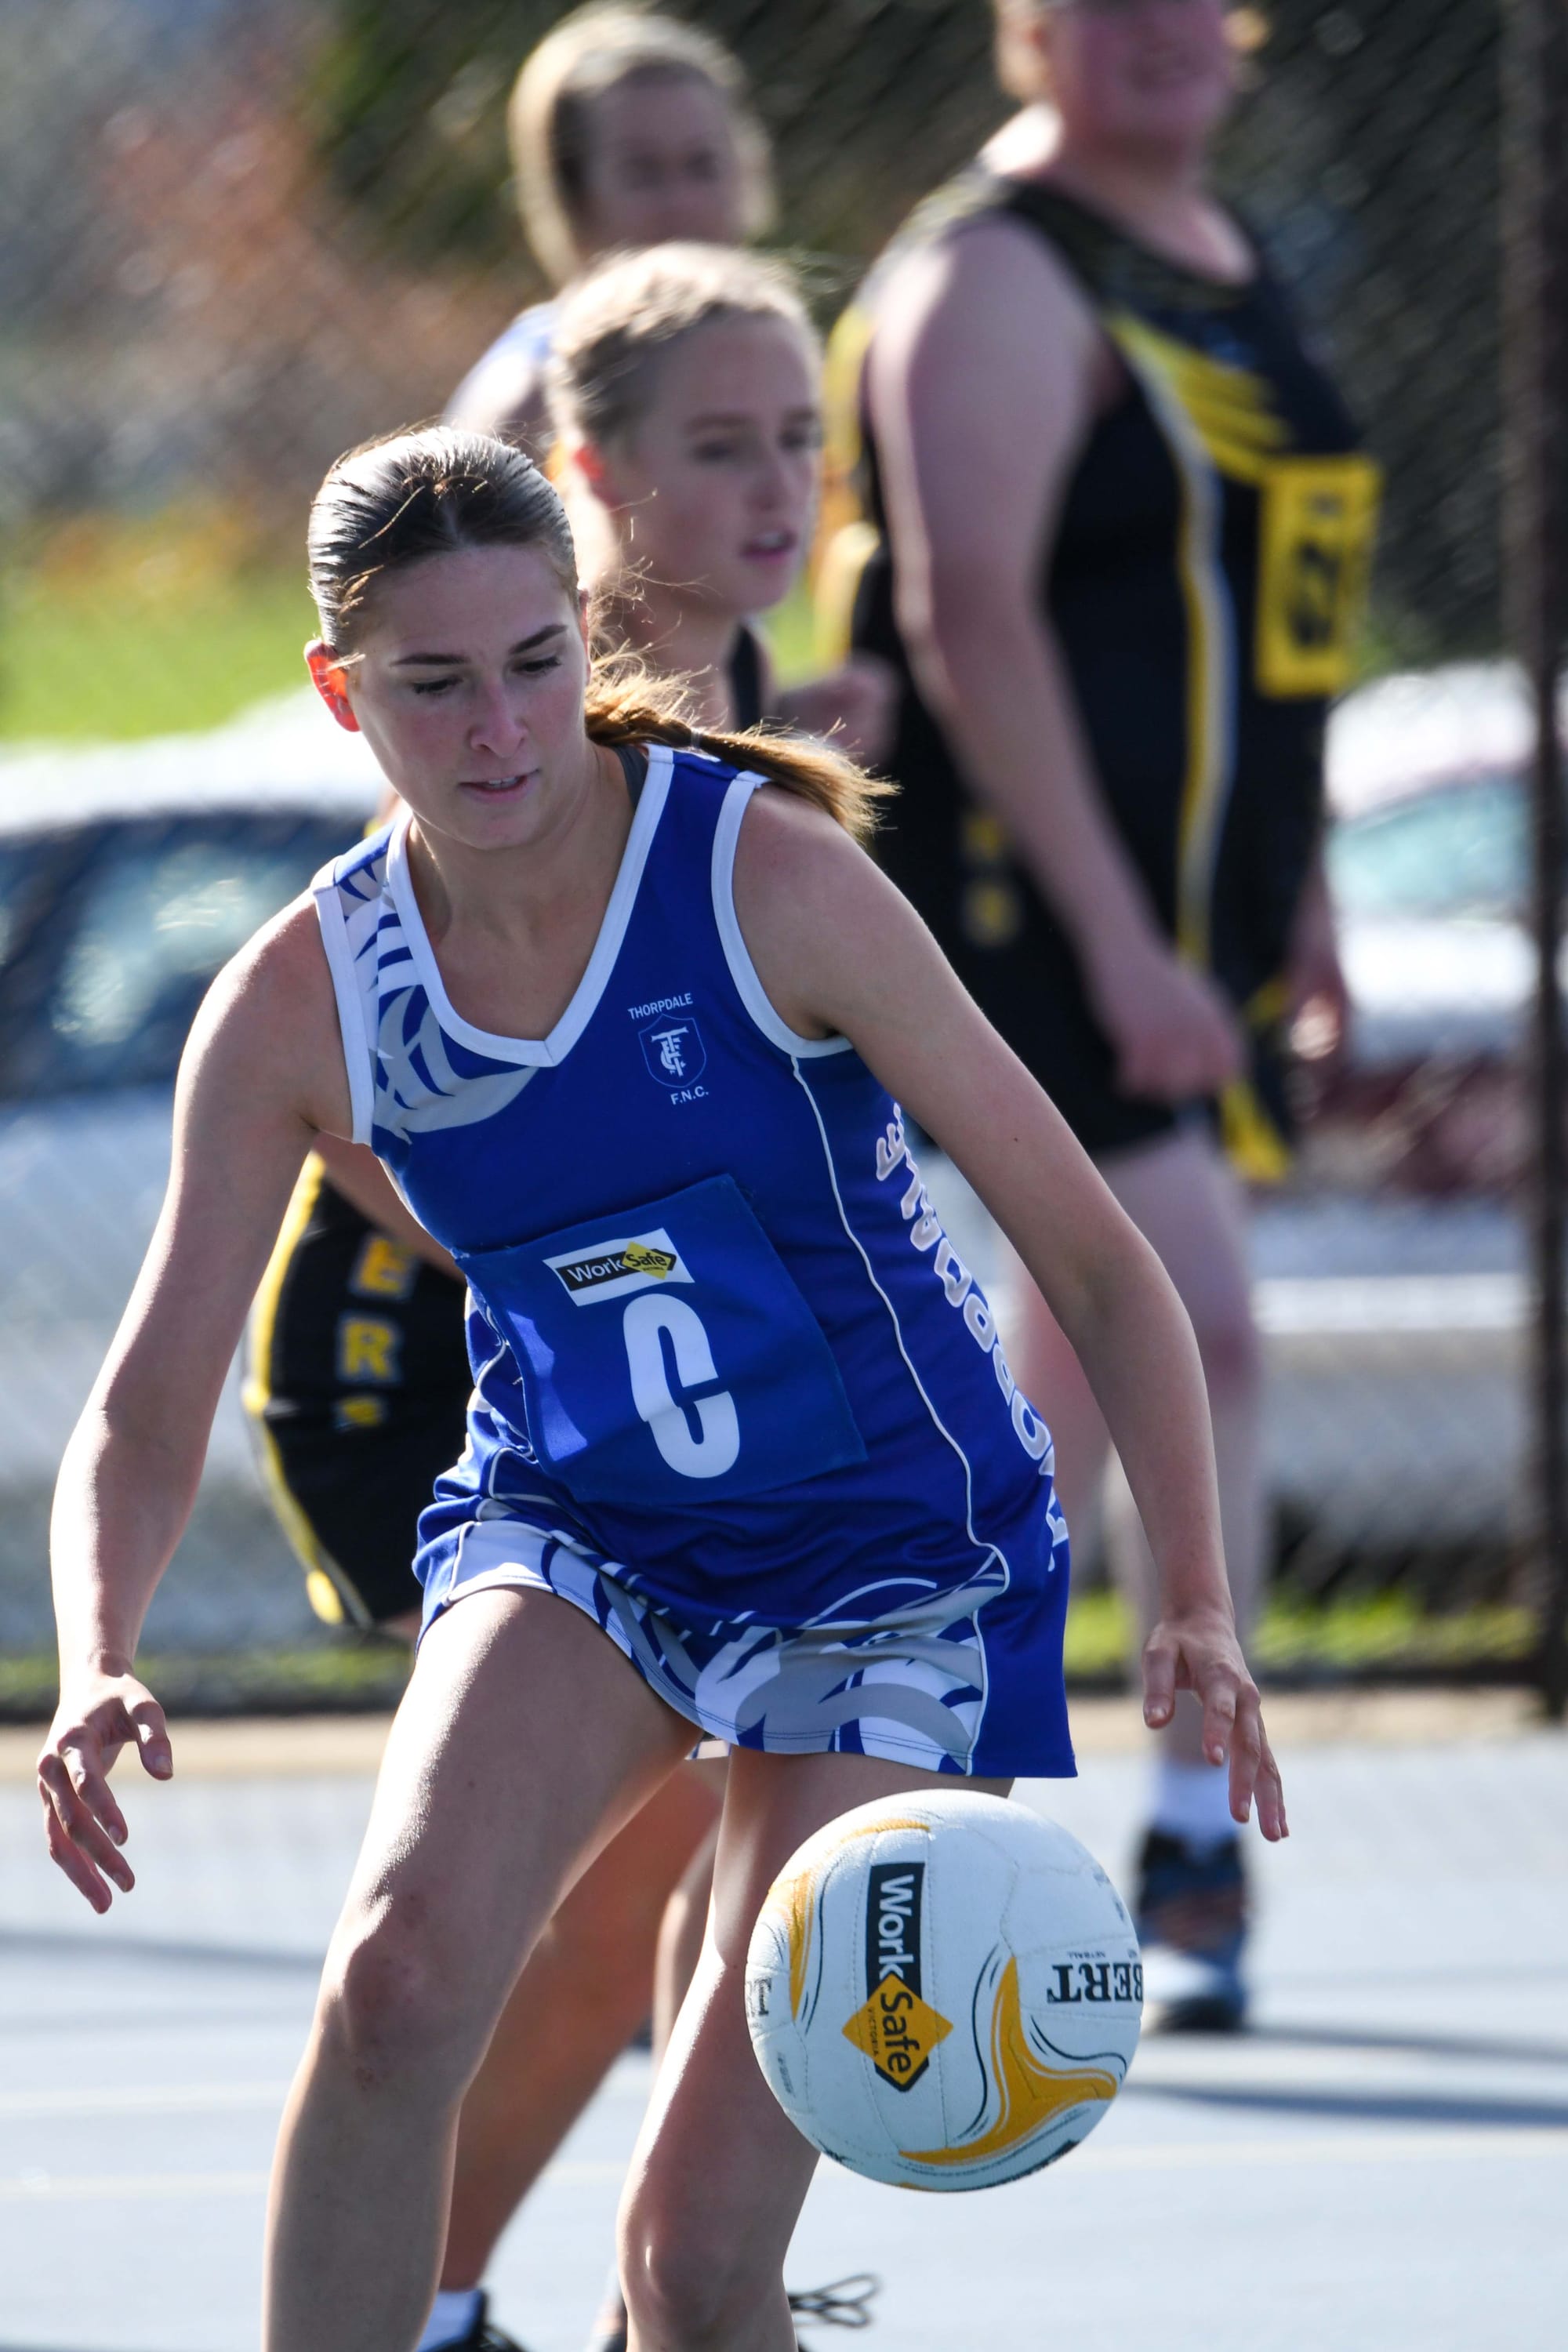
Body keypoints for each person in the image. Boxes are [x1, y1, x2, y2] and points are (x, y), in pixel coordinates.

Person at [39, 426, 1283, 2352]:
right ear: (337, 692)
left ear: (581, 635)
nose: (499, 727)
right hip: (585, 1523)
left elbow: (1103, 1261)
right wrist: (97, 1645)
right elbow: (141, 1400)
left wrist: (1190, 1594)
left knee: (690, 2272)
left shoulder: (763, 881)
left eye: (535, 660)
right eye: (431, 685)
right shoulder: (307, 993)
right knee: (393, 1981)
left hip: (893, 1556)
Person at [243, 245, 885, 2352]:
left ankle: (668, 2296)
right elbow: (386, 1114)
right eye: (723, 446)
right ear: (585, 475)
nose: (781, 482)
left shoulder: (762, 730)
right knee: (561, 1913)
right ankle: (457, 2299)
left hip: (682, 1385)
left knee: (721, 1876)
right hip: (436, 1354)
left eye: (801, 436)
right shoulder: (504, 707)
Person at [821, 0, 1377, 2030]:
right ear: (1027, 35)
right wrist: (1122, 941)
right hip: (1016, 917)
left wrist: (1284, 901)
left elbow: (1264, 632)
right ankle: (1172, 1829)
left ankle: (911, 1809)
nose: (1160, 33)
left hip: (1191, 926)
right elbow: (972, 615)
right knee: (1191, 1326)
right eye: (1101, 3)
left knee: (1053, 1402)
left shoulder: (1235, 269)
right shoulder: (994, 271)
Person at [445, 4, 773, 456]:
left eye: (703, 166)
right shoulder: (530, 401)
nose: (682, 203)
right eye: (643, 173)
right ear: (571, 195)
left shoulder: (772, 368)